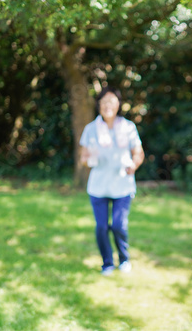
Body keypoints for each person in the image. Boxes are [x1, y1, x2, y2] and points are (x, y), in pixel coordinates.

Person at [80, 86, 144, 276]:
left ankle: (124, 259)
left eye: (112, 101)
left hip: (122, 185)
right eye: (104, 102)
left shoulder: (128, 127)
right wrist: (88, 158)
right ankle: (107, 263)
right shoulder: (91, 129)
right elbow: (83, 158)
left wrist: (134, 164)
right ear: (99, 105)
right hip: (98, 187)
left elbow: (138, 152)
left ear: (118, 105)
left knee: (118, 225)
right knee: (101, 227)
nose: (107, 105)